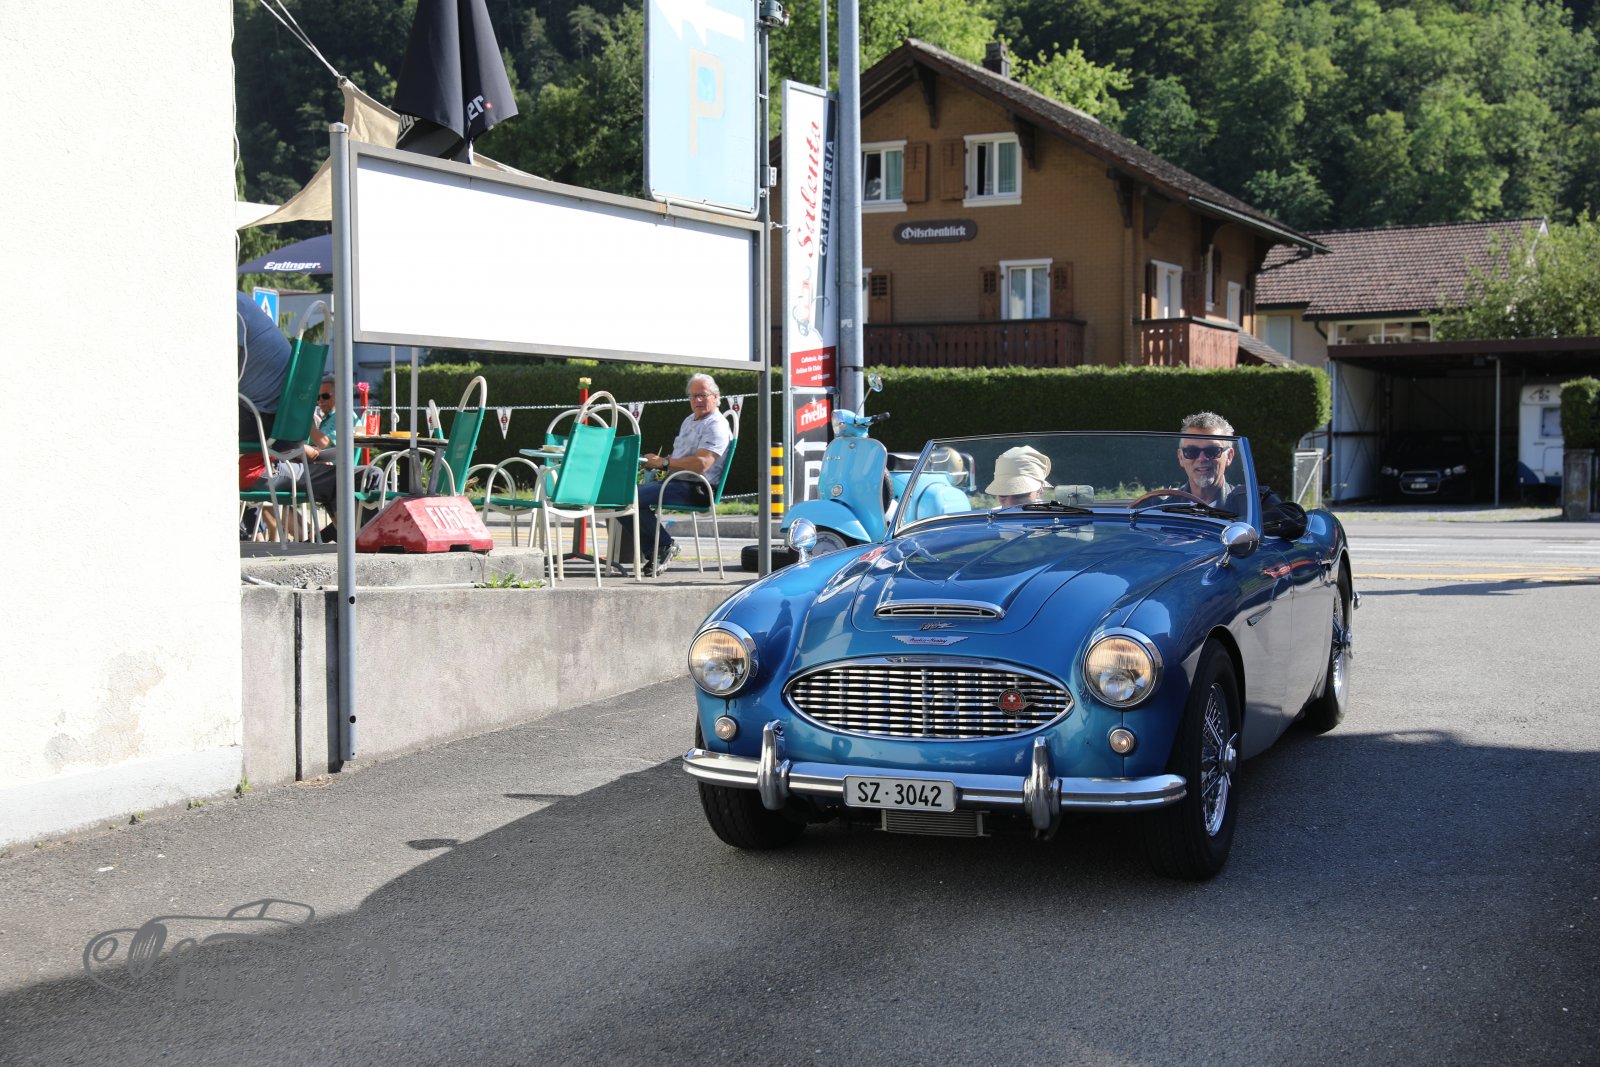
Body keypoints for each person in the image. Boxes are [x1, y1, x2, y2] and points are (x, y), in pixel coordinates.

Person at [620, 373, 732, 576]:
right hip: (676, 481)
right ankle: (657, 551)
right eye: (693, 396)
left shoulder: (716, 424)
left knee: (627, 498)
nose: (697, 400)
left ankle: (664, 546)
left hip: (697, 488)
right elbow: (680, 458)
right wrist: (656, 463)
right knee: (622, 497)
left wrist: (663, 463)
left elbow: (701, 464)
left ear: (716, 397)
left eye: (703, 395)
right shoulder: (689, 420)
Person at [1174, 411, 1279, 517]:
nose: (1202, 458)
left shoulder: (1255, 503)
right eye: (1191, 451)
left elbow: (1287, 517)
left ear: (1229, 456)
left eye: (1212, 451)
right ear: (1181, 457)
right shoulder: (1164, 507)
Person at [985, 445, 1051, 507]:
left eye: (1020, 495)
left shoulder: (1051, 514)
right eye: (1003, 495)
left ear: (1039, 489)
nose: (1010, 504)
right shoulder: (990, 515)